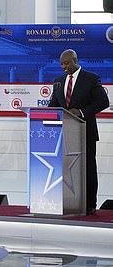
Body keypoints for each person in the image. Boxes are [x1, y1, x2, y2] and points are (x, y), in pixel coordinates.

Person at [48, 49, 109, 215]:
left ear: (75, 60)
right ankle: (67, 202)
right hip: (64, 134)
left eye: (67, 63)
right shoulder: (58, 81)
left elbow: (103, 102)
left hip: (85, 132)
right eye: (61, 64)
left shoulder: (90, 78)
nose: (64, 67)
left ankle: (90, 204)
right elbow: (53, 104)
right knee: (65, 168)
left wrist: (81, 112)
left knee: (88, 168)